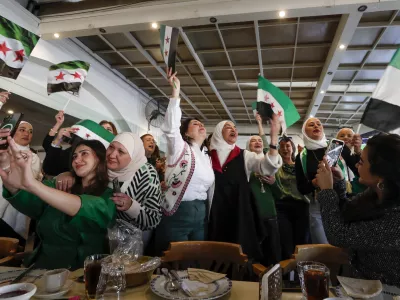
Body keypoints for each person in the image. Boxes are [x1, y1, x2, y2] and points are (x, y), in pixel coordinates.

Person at [0, 137, 115, 269]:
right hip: (41, 269)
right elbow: (29, 199)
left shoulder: (109, 196)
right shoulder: (58, 186)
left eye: (84, 153)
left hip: (80, 274)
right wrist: (6, 165)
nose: (77, 160)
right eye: (74, 156)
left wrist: (32, 184)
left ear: (100, 158)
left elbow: (85, 207)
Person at [315, 134, 400, 288]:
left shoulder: (396, 221)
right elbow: (346, 215)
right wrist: (339, 184)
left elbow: (338, 235)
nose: (356, 166)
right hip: (362, 288)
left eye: (361, 161)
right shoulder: (374, 195)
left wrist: (327, 191)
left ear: (381, 175)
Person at [153, 69, 215, 255]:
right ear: (186, 133)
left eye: (202, 124)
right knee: (176, 260)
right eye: (195, 124)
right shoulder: (179, 147)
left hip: (200, 213)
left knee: (196, 258)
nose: (201, 125)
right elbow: (171, 128)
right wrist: (175, 94)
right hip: (179, 211)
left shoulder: (206, 156)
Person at [208, 109, 282, 262]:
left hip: (239, 213)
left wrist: (273, 140)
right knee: (215, 253)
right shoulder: (206, 157)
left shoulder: (244, 155)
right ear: (217, 132)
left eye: (235, 127)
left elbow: (266, 167)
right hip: (213, 213)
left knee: (239, 254)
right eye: (228, 127)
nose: (234, 129)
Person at [295, 117, 347, 244]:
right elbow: (301, 188)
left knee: (341, 246)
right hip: (317, 205)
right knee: (323, 246)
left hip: (339, 202)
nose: (316, 126)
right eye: (311, 125)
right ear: (304, 131)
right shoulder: (301, 157)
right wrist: (315, 182)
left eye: (318, 124)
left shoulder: (335, 149)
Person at [107, 132, 162, 248]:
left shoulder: (147, 174)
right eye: (111, 147)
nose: (112, 155)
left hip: (131, 240)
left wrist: (131, 206)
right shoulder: (101, 167)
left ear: (133, 155)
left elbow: (154, 219)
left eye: (121, 151)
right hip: (102, 235)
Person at [246, 113, 281, 265]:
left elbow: (279, 194)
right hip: (252, 217)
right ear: (248, 147)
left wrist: (273, 182)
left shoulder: (272, 165)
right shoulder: (244, 165)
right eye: (253, 141)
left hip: (270, 216)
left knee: (272, 254)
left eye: (259, 140)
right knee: (253, 256)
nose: (257, 142)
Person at [0, 121, 42, 245]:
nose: (26, 134)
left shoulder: (33, 157)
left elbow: (26, 181)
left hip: (15, 205)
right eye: (22, 130)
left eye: (30, 132)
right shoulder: (2, 150)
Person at [273, 136, 309, 259]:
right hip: (282, 207)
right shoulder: (276, 166)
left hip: (301, 206)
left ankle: (300, 271)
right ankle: (287, 272)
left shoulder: (300, 165)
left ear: (292, 148)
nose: (285, 148)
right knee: (285, 241)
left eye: (287, 145)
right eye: (282, 146)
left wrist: (302, 155)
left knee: (301, 241)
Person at [42, 119, 115, 177]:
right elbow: (49, 167)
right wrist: (58, 140)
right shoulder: (75, 152)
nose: (103, 132)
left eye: (108, 130)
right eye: (100, 129)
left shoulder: (112, 161)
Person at [336, 128, 365, 194]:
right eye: (342, 136)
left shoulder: (362, 154)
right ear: (336, 139)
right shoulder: (333, 155)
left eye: (349, 136)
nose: (345, 138)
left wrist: (358, 152)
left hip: (360, 191)